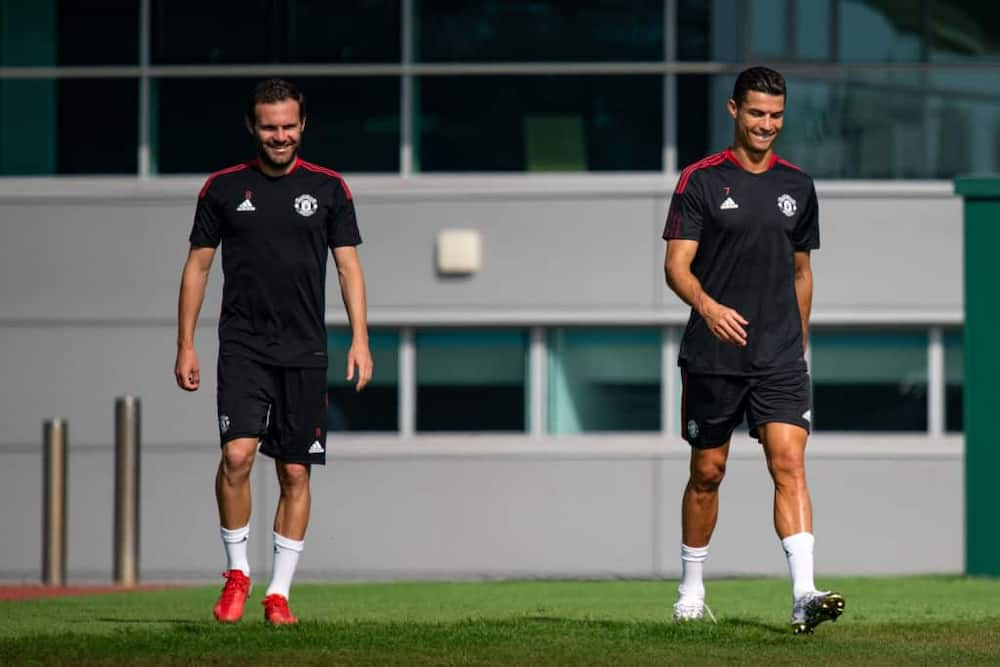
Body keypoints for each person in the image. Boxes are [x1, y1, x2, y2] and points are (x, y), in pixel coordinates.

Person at [174, 78, 373, 625]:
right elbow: (197, 267)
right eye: (269, 127)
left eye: (288, 125)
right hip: (242, 347)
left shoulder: (330, 189)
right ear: (252, 128)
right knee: (236, 456)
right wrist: (185, 345)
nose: (280, 136)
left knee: (295, 473)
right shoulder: (222, 189)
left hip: (305, 352)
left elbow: (348, 266)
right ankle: (237, 574)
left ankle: (278, 594)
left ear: (302, 125)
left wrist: (359, 337)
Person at [662, 66, 844, 634]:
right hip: (714, 357)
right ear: (734, 110)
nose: (767, 124)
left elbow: (802, 271)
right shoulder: (700, 181)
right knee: (708, 473)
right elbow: (675, 268)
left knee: (788, 463)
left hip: (779, 358)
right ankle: (691, 590)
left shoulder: (799, 185)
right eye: (757, 113)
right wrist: (710, 308)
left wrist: (800, 338)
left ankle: (804, 594)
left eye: (776, 115)